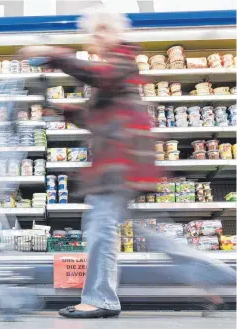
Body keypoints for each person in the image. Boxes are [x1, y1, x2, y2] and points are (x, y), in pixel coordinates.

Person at [20, 6, 236, 319]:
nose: (99, 37)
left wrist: (53, 53)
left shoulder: (122, 59)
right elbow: (95, 119)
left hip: (119, 166)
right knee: (156, 236)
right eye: (95, 32)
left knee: (100, 230)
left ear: (119, 32)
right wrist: (57, 109)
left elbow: (101, 76)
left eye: (104, 29)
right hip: (121, 166)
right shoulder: (113, 72)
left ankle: (100, 299)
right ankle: (223, 282)